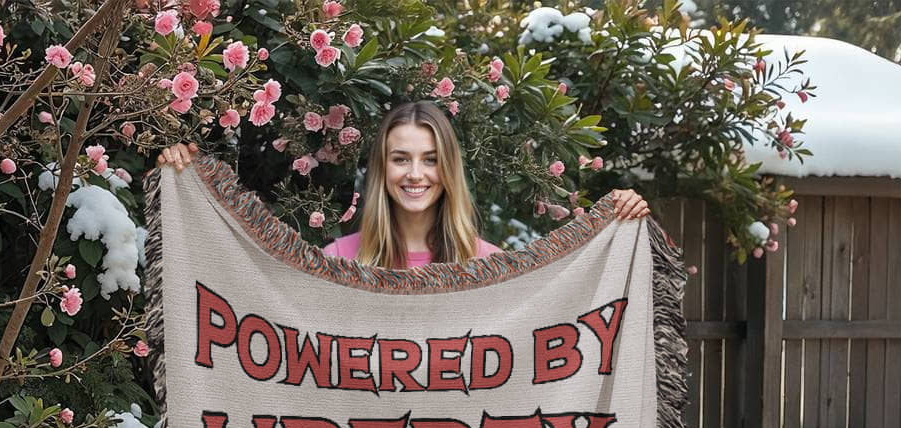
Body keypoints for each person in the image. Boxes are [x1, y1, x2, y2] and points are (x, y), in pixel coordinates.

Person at [157, 101, 650, 269]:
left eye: (431, 160)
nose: (416, 174)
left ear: (449, 172)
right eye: (401, 159)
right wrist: (192, 190)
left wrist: (620, 220)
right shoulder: (336, 263)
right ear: (381, 170)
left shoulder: (494, 268)